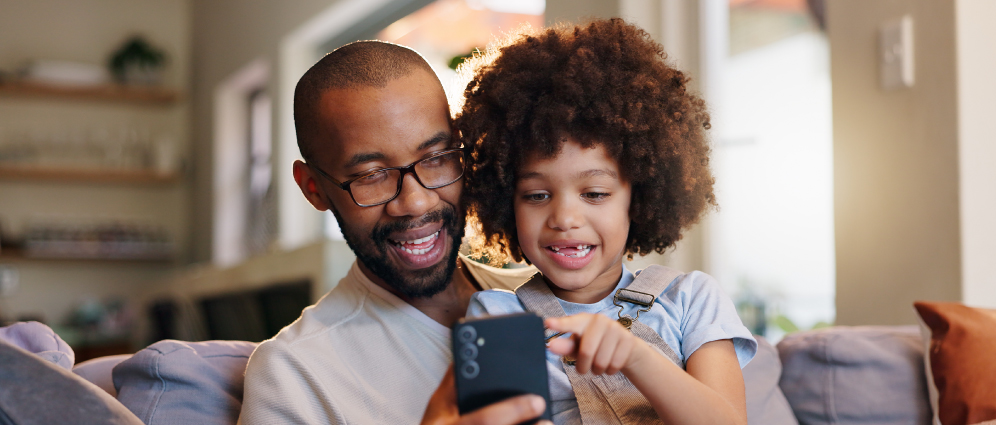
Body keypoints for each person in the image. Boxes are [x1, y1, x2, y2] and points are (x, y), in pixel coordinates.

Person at [456, 19, 757, 425]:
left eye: (595, 194)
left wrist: (634, 355)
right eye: (537, 195)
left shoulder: (691, 301)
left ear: (641, 197)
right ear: (506, 204)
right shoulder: (498, 316)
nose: (564, 218)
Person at [239, 41, 549, 425]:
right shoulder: (293, 373)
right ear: (313, 188)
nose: (416, 202)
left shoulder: (550, 299)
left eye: (437, 158)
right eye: (371, 175)